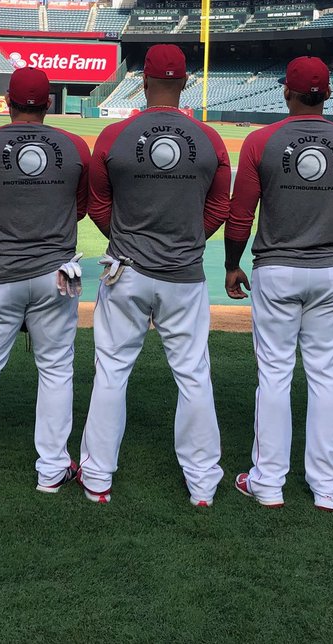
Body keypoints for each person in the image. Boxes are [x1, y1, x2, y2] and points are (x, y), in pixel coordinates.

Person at [78, 44, 230, 507]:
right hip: (183, 274)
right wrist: (187, 239)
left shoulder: (112, 136)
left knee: (111, 373)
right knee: (194, 375)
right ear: (185, 83)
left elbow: (97, 205)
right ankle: (202, 484)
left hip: (126, 270)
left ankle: (98, 479)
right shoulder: (210, 139)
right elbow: (219, 206)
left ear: (143, 81)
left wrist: (125, 236)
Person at [224, 56, 333, 511]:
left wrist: (232, 264)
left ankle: (268, 482)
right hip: (331, 268)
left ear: (286, 92)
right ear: (327, 94)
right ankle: (327, 486)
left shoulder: (261, 141)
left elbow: (240, 216)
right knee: (327, 376)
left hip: (276, 268)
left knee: (274, 374)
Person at [0, 67, 91, 493]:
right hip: (56, 274)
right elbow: (78, 209)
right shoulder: (75, 145)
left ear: (7, 101)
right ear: (49, 103)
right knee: (57, 370)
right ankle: (51, 470)